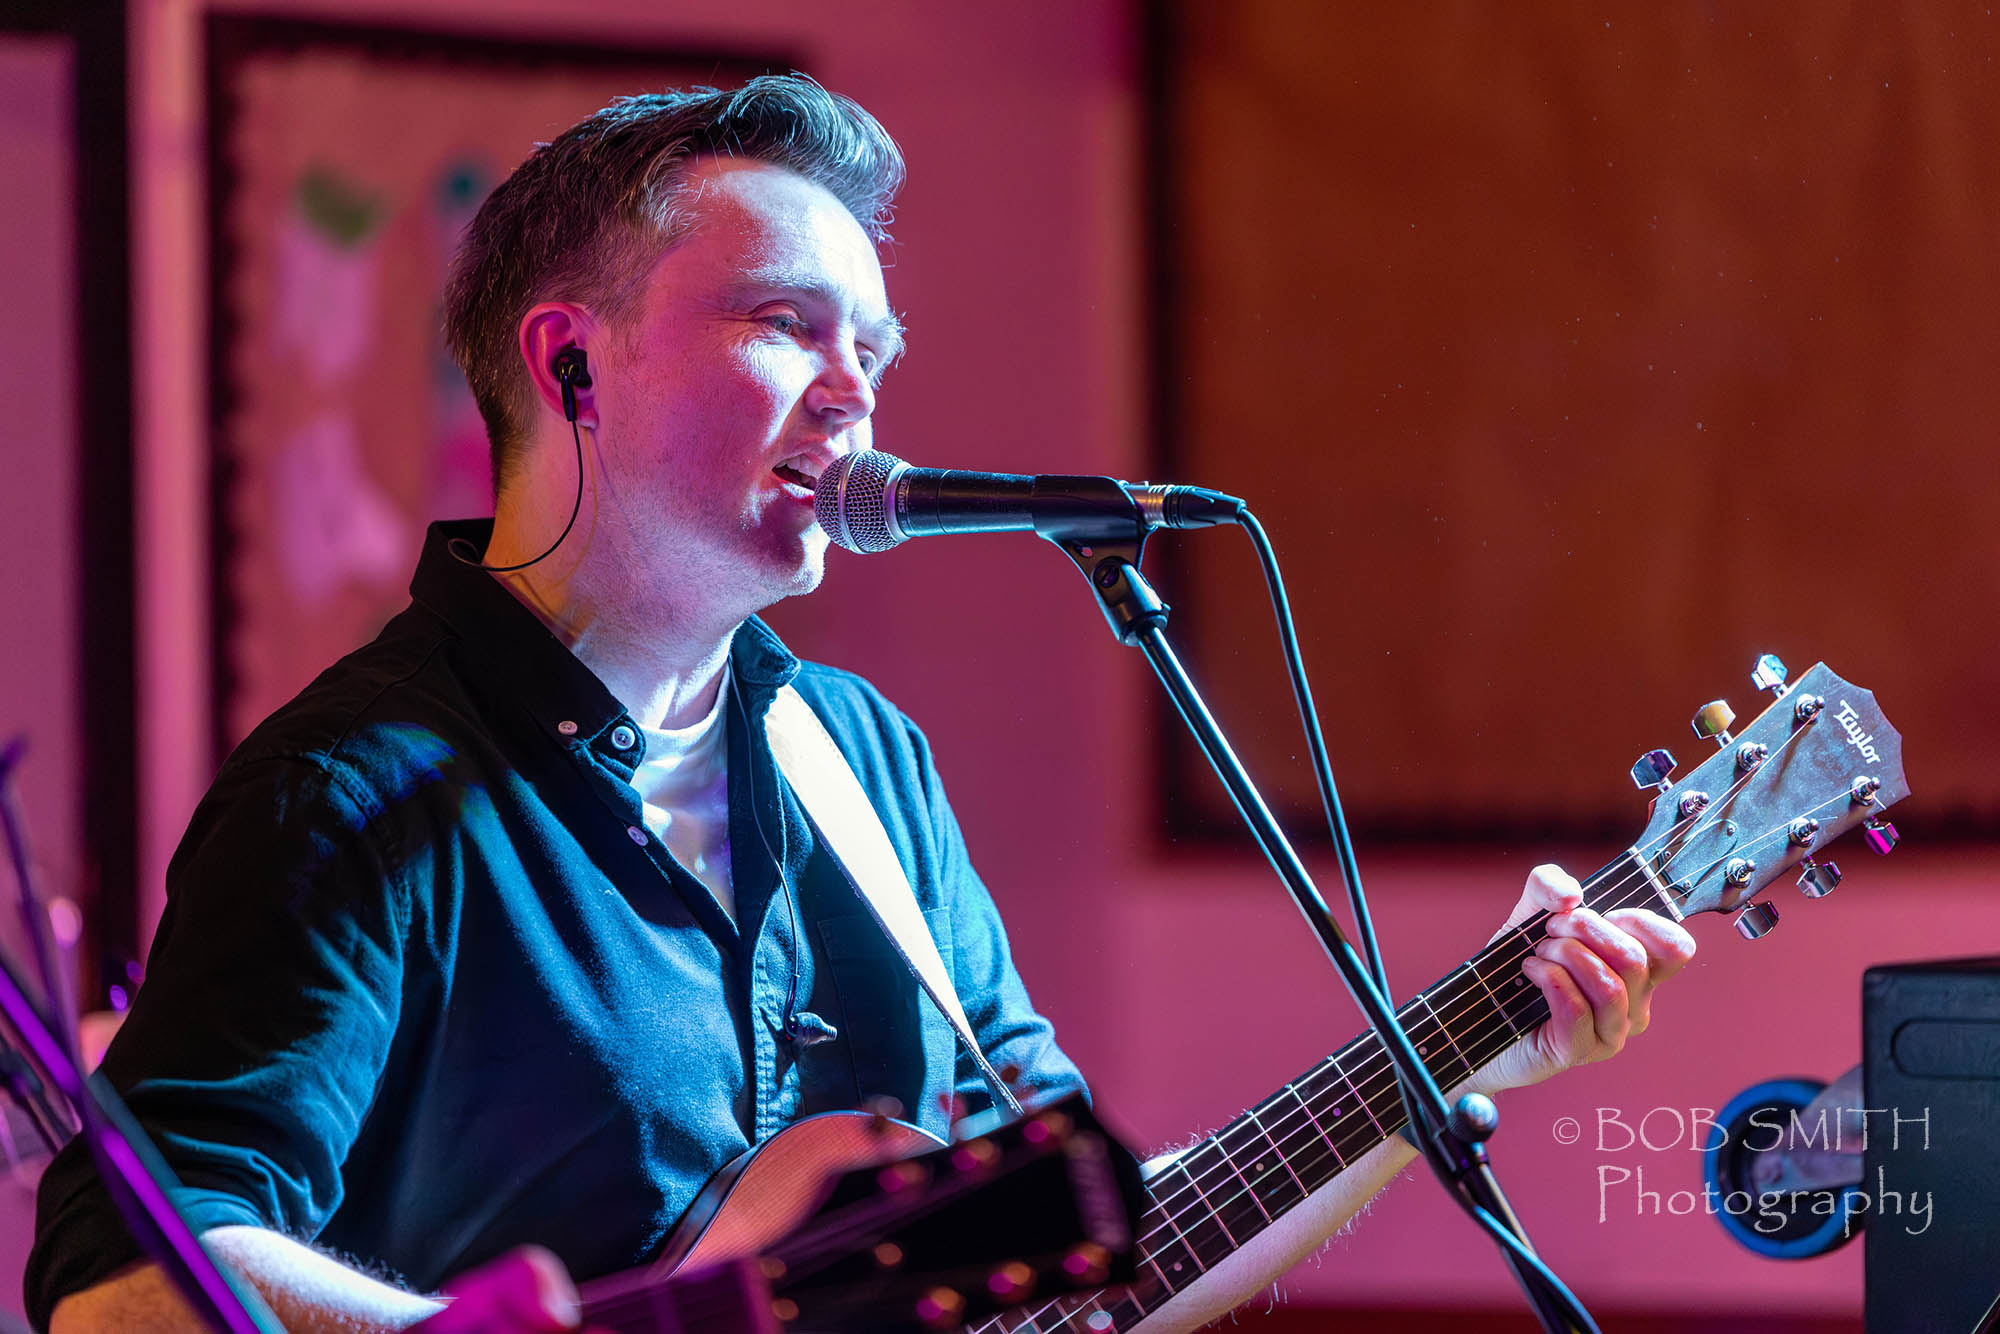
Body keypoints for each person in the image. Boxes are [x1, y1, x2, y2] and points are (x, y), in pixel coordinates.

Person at [26, 77, 1694, 1333]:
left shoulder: (862, 765)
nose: (857, 392)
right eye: (785, 325)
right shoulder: (358, 790)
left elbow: (1092, 1250)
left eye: (874, 348)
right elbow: (122, 1288)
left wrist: (1446, 1061)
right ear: (571, 366)